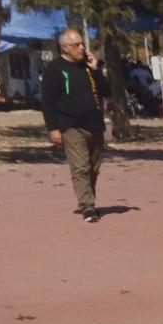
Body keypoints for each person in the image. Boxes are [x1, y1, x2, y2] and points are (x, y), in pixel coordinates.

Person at [41, 29, 108, 222]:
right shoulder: (54, 69)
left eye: (82, 44)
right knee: (80, 167)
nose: (81, 48)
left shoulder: (88, 67)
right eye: (76, 45)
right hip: (71, 126)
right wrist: (53, 128)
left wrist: (97, 70)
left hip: (95, 125)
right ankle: (87, 206)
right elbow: (48, 101)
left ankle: (89, 200)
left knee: (93, 168)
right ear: (64, 48)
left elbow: (106, 91)